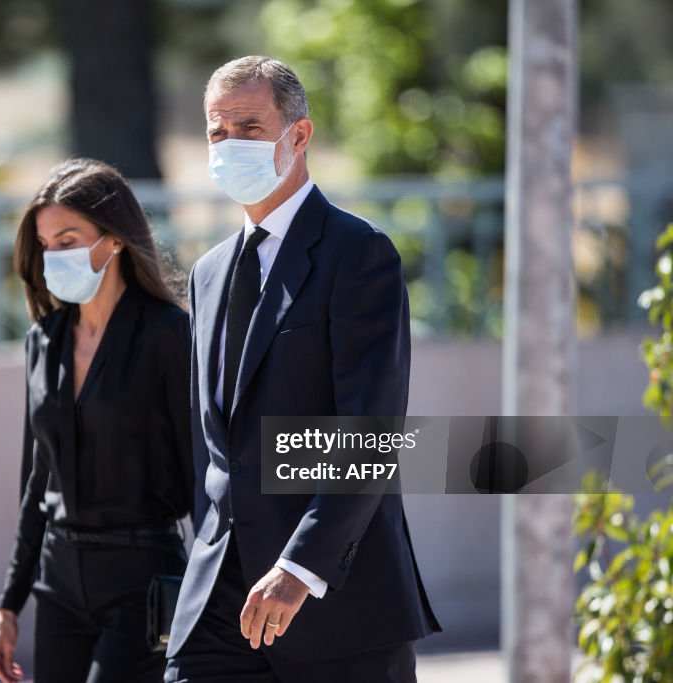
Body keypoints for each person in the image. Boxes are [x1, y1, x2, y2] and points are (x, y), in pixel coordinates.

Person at [165, 56, 441, 683]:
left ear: (299, 134)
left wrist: (300, 568)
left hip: (333, 604)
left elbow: (370, 433)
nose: (229, 145)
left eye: (250, 127)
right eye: (217, 132)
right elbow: (212, 445)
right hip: (218, 605)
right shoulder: (208, 274)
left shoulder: (357, 253)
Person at [0, 158, 194, 683]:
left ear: (114, 239)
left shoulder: (168, 334)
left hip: (144, 578)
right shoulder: (43, 341)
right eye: (47, 245)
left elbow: (202, 473)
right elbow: (37, 484)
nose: (54, 256)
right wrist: (8, 606)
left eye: (69, 239)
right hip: (58, 583)